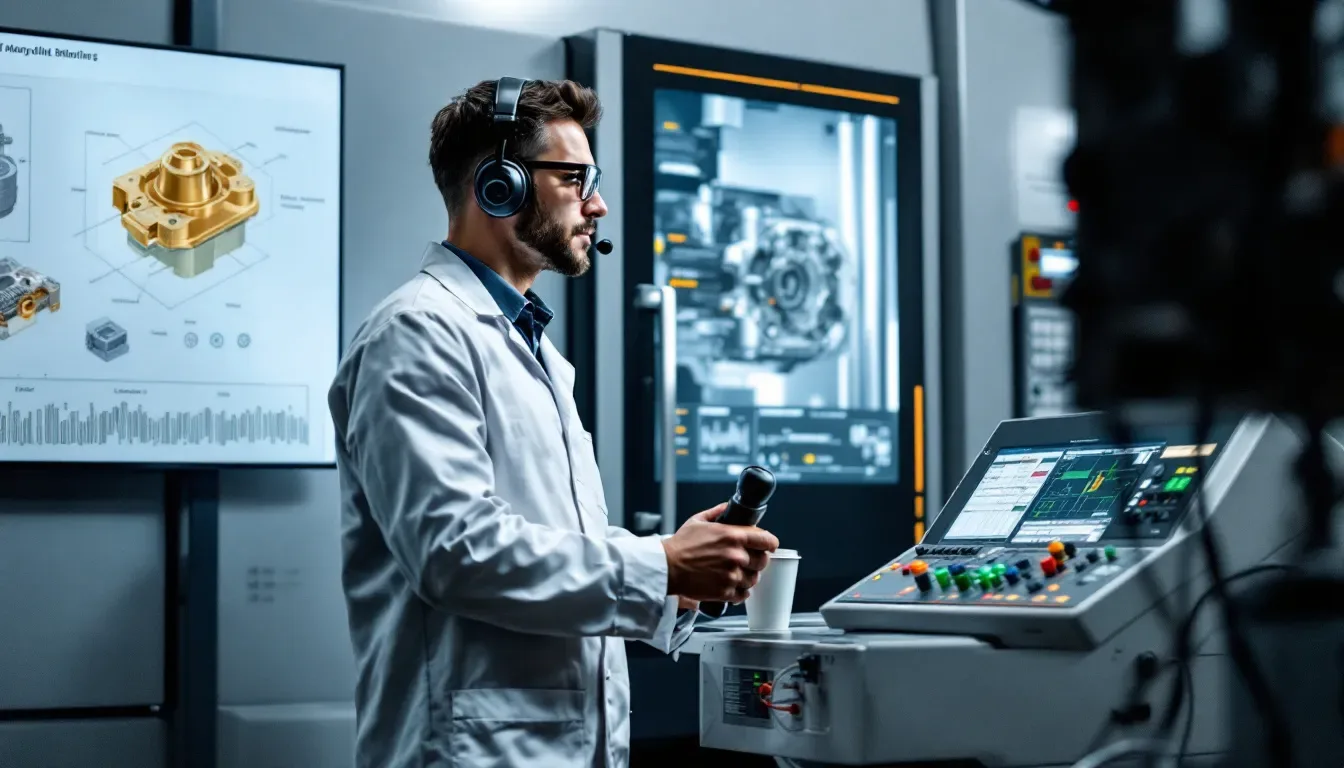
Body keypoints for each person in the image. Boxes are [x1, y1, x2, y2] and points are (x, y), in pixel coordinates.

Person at [327, 76, 781, 768]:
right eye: (574, 179)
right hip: (470, 748)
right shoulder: (416, 333)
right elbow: (455, 553)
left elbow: (552, 546)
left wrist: (673, 582)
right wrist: (656, 562)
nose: (596, 205)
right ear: (499, 185)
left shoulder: (535, 351)